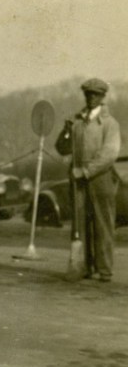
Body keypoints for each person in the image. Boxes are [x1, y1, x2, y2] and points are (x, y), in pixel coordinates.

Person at [55, 78, 121, 281]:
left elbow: (109, 154)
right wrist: (66, 132)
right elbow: (62, 149)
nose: (91, 98)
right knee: (80, 225)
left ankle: (105, 270)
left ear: (102, 97)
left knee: (103, 224)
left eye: (96, 95)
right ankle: (84, 267)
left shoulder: (110, 123)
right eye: (88, 94)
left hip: (101, 179)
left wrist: (85, 171)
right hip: (78, 180)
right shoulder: (76, 122)